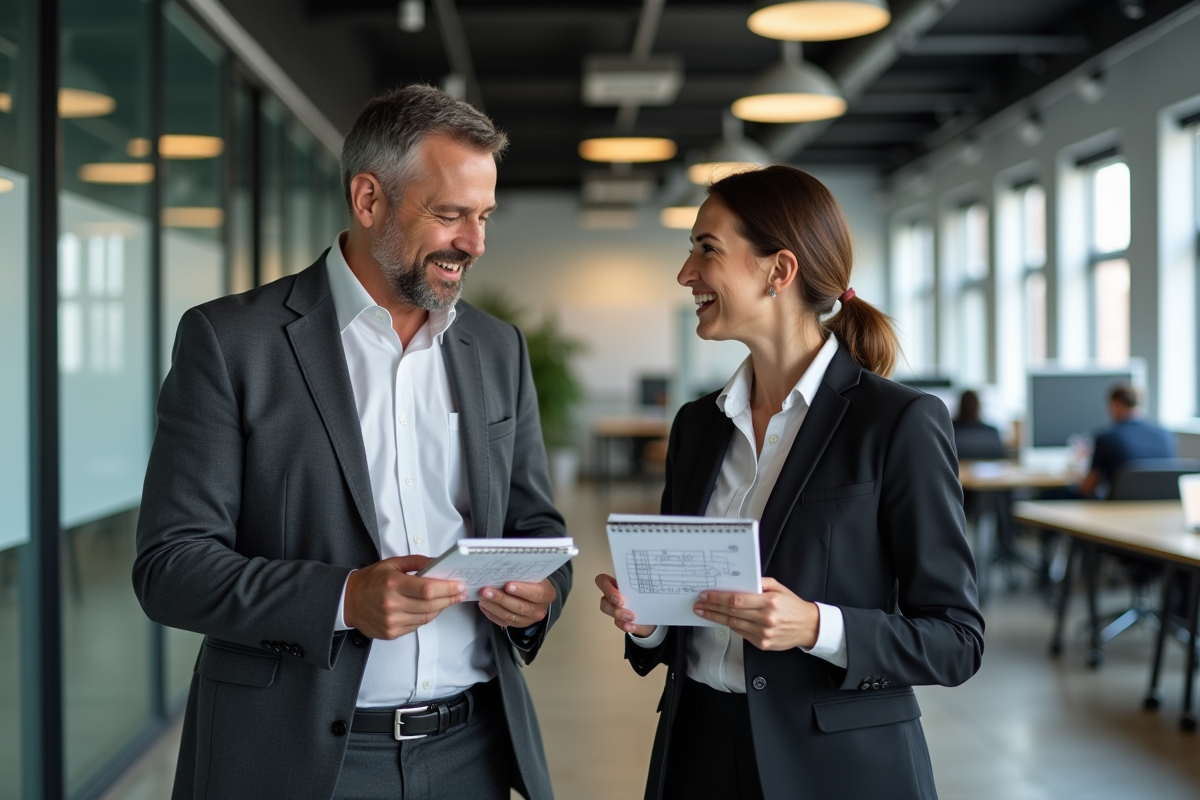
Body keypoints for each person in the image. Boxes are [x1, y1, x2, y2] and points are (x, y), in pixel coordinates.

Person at [133, 85, 571, 800]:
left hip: (474, 754)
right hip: (294, 761)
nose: (476, 243)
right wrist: (342, 599)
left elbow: (538, 528)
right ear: (369, 200)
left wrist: (540, 594)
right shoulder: (230, 342)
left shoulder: (497, 348)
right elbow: (171, 566)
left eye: (484, 216)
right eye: (451, 215)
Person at [595, 166, 984, 800]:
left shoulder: (898, 422)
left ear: (779, 271)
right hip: (696, 751)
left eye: (706, 249)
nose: (685, 273)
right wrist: (649, 623)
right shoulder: (698, 425)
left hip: (835, 766)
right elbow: (685, 618)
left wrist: (813, 626)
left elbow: (956, 641)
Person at [1079, 383, 1176, 498]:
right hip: (1162, 508)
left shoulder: (1107, 437)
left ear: (1116, 404)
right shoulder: (1165, 435)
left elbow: (1088, 487)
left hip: (1119, 509)